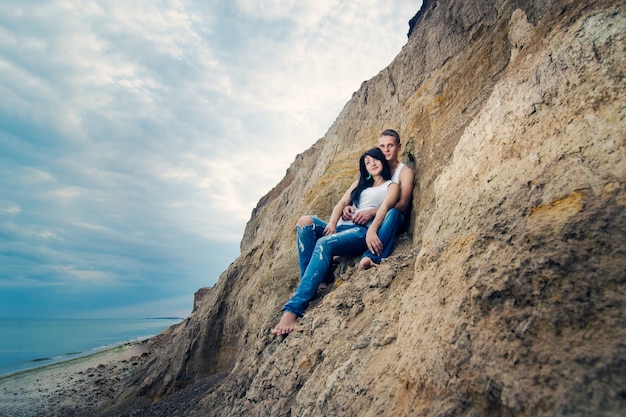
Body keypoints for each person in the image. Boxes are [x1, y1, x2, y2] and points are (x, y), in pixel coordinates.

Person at [271, 148, 400, 336]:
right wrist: (332, 223)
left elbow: (386, 209)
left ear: (382, 160)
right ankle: (316, 282)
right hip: (342, 226)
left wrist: (371, 230)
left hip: (361, 231)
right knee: (305, 222)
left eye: (375, 160)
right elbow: (341, 204)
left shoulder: (391, 186)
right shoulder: (360, 184)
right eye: (367, 162)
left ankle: (293, 309)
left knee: (324, 243)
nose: (372, 164)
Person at [342, 129, 415, 270]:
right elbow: (362, 191)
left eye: (390, 146)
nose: (386, 150)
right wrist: (350, 206)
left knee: (393, 213)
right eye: (382, 146)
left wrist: (372, 212)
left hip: (392, 219)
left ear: (399, 147)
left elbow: (403, 204)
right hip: (367, 222)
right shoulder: (375, 167)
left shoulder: (405, 172)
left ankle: (371, 256)